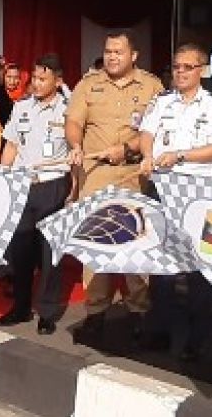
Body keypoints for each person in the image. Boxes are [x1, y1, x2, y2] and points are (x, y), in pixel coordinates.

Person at [66, 31, 164, 346]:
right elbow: (73, 122)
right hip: (95, 174)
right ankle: (96, 314)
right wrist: (75, 145)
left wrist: (130, 147)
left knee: (135, 244)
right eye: (108, 51)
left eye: (119, 52)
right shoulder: (88, 85)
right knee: (95, 244)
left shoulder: (151, 87)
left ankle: (139, 313)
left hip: (134, 175)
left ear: (133, 55)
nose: (112, 57)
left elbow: (158, 130)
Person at [137, 43, 212, 359]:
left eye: (187, 67)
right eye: (176, 67)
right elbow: (146, 133)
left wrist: (179, 155)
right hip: (162, 188)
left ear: (202, 70)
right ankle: (160, 327)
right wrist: (148, 155)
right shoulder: (162, 102)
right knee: (161, 260)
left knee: (196, 266)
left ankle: (198, 335)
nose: (180, 72)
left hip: (196, 192)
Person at [0, 53, 72, 335]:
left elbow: (76, 153)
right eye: (35, 78)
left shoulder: (69, 109)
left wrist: (73, 189)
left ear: (57, 80)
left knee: (50, 251)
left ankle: (47, 312)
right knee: (21, 250)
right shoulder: (22, 107)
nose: (36, 84)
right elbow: (11, 146)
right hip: (23, 185)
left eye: (43, 78)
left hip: (53, 184)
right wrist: (1, 181)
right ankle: (21, 307)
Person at [0, 57, 26, 127]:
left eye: (16, 77)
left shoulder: (25, 99)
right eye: (9, 77)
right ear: (4, 77)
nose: (12, 81)